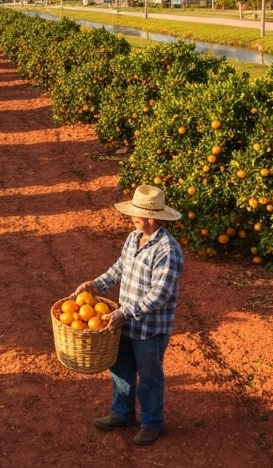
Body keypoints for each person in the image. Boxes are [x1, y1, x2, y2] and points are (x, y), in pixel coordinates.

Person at [75, 184, 184, 446]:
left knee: (149, 377)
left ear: (154, 217)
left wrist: (126, 313)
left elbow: (160, 294)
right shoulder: (134, 237)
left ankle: (152, 422)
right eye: (134, 213)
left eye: (139, 214)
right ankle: (122, 414)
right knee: (121, 369)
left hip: (149, 329)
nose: (134, 218)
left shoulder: (168, 251)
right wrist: (94, 285)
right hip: (124, 322)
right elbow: (119, 269)